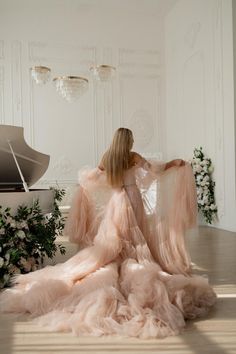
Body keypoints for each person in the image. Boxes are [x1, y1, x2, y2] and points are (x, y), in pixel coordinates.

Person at [0, 127, 216, 338]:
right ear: (128, 141)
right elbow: (154, 170)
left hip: (117, 201)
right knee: (135, 234)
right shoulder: (132, 156)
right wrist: (173, 164)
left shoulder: (108, 157)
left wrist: (83, 183)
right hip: (132, 198)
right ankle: (131, 259)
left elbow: (95, 177)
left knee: (117, 237)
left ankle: (120, 257)